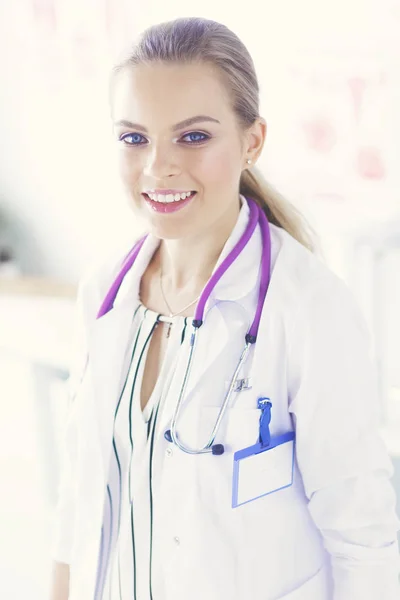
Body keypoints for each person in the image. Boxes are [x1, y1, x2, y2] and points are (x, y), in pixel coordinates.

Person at [50, 16, 400, 600]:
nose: (158, 166)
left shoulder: (309, 309)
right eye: (134, 137)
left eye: (193, 137)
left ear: (252, 140)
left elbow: (363, 543)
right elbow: (77, 501)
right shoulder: (104, 292)